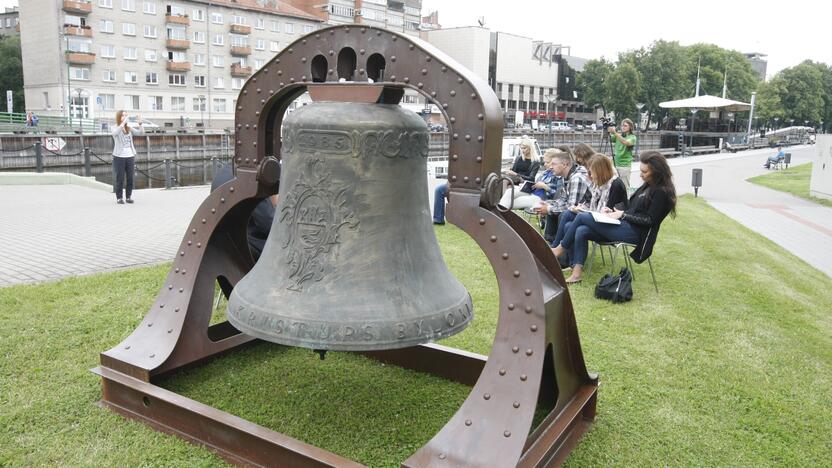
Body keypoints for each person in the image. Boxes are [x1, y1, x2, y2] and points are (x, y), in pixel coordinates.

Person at [551, 151, 677, 284]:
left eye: (644, 172)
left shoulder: (661, 192)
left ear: (656, 171)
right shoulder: (648, 186)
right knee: (581, 230)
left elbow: (650, 221)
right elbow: (633, 210)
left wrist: (622, 214)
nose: (641, 174)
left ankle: (559, 249)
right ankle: (576, 274)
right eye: (641, 171)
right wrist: (614, 211)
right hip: (625, 225)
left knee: (583, 217)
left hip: (636, 233)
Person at [550, 154, 630, 265]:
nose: (590, 176)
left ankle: (556, 250)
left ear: (601, 171)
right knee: (567, 214)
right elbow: (595, 208)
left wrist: (585, 213)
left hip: (611, 225)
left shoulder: (616, 185)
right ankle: (568, 261)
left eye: (592, 172)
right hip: (598, 218)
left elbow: (608, 212)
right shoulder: (598, 185)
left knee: (577, 222)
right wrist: (582, 208)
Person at [211, 164, 278, 261]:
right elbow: (269, 224)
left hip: (221, 243)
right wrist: (275, 204)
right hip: (247, 245)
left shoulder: (223, 172)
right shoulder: (252, 179)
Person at [533, 150, 592, 243]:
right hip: (578, 212)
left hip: (588, 213)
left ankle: (555, 247)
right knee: (553, 209)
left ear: (565, 164)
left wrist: (548, 209)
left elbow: (571, 207)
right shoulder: (566, 177)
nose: (550, 167)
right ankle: (551, 244)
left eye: (554, 164)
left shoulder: (577, 178)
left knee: (561, 214)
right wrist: (548, 204)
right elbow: (563, 199)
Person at [111, 110, 144, 204]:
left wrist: (140, 124)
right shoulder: (114, 127)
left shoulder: (129, 128)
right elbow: (115, 134)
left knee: (130, 178)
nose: (125, 117)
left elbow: (140, 133)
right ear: (118, 117)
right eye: (122, 116)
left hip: (130, 155)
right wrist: (122, 124)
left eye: (126, 115)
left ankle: (128, 197)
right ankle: (119, 198)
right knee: (120, 178)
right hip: (119, 156)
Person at [607, 118, 637, 188]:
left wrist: (614, 133)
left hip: (624, 166)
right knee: (613, 186)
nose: (623, 127)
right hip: (615, 164)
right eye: (622, 125)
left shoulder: (632, 137)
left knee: (624, 187)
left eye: (625, 125)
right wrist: (605, 129)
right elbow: (606, 138)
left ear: (630, 127)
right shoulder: (618, 135)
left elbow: (626, 142)